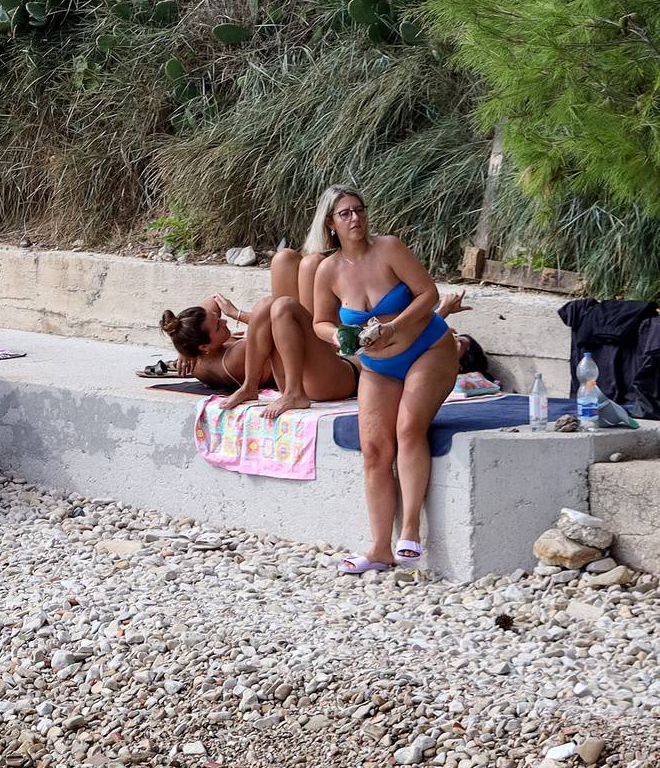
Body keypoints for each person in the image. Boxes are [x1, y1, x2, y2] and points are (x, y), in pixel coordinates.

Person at [306, 184, 458, 574]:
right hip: (377, 365)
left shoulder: (389, 248)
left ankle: (410, 531)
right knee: (374, 449)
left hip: (428, 349)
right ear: (331, 224)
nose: (356, 218)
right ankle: (378, 549)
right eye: (346, 213)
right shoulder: (328, 270)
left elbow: (428, 294)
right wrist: (342, 336)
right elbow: (320, 322)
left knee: (409, 427)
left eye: (359, 209)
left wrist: (394, 327)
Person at [159, 246, 361, 418]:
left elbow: (210, 305)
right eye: (219, 326)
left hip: (310, 374)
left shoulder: (196, 355)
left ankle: (249, 387)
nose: (223, 321)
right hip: (334, 377)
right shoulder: (233, 358)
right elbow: (267, 327)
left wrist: (182, 349)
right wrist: (236, 314)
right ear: (204, 347)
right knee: (289, 295)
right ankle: (293, 393)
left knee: (282, 264)